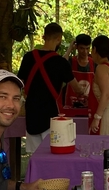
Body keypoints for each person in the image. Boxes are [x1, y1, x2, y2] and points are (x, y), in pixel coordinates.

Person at [17, 22, 90, 154]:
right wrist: (85, 91)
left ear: (44, 37)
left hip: (32, 113)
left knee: (35, 155)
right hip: (51, 115)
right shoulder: (61, 63)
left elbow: (19, 83)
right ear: (59, 39)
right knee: (52, 154)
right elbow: (77, 88)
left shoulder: (28, 57)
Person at [63, 33, 95, 115]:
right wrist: (70, 48)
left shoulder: (94, 63)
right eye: (82, 48)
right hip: (71, 106)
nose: (85, 52)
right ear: (76, 47)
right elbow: (62, 63)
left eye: (87, 48)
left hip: (89, 107)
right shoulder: (71, 61)